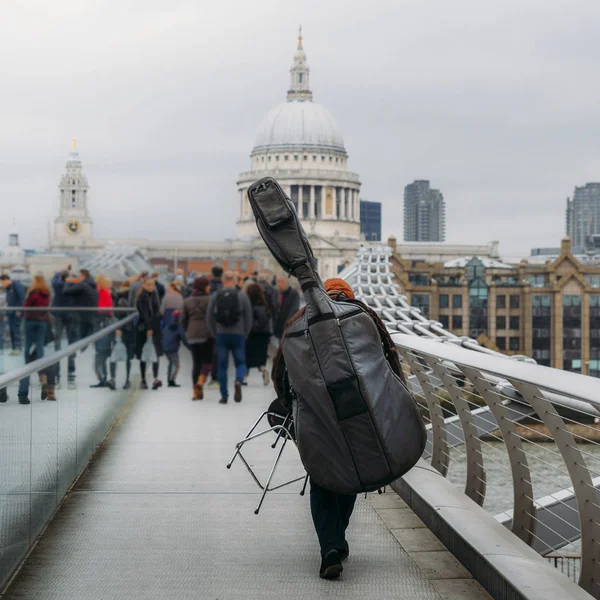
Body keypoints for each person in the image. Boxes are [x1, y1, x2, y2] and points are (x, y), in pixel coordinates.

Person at [272, 278, 406, 580]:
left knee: (321, 477)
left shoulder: (300, 320)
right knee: (355, 473)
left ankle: (329, 547)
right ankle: (337, 539)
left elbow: (280, 370)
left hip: (317, 415)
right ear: (349, 295)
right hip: (360, 413)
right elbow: (391, 362)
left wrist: (292, 407)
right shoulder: (366, 316)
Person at [206, 271, 252, 404]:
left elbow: (209, 317)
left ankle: (224, 395)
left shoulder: (216, 295)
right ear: (236, 280)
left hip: (221, 335)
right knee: (241, 362)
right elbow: (249, 317)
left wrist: (215, 332)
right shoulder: (242, 296)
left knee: (222, 366)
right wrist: (245, 333)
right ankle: (238, 380)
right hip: (238, 335)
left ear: (222, 280)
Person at [17, 275, 52, 404]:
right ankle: (43, 378)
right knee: (40, 347)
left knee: (27, 352)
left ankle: (23, 392)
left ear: (36, 282)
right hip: (42, 323)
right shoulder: (46, 294)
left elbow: (26, 305)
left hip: (30, 322)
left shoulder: (33, 293)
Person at [181, 277, 213, 400]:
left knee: (196, 363)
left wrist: (188, 330)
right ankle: (200, 382)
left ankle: (195, 392)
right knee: (208, 362)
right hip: (207, 334)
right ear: (204, 286)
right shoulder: (210, 300)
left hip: (192, 334)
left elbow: (182, 320)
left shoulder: (187, 301)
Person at [135, 277, 163, 390]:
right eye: (148, 284)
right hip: (145, 328)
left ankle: (155, 378)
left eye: (152, 284)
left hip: (155, 327)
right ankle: (143, 379)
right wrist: (149, 328)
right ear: (144, 285)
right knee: (144, 353)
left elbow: (157, 310)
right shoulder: (142, 297)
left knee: (155, 353)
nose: (151, 287)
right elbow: (144, 314)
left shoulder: (155, 295)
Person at [51, 269, 77, 386]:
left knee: (57, 342)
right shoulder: (72, 284)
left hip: (58, 314)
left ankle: (56, 372)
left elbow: (54, 279)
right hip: (71, 314)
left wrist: (59, 273)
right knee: (71, 342)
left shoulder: (57, 284)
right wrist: (71, 275)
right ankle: (71, 371)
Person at [244, 283, 272, 386]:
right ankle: (264, 370)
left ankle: (244, 378)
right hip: (264, 335)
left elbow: (248, 320)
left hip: (251, 334)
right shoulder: (265, 304)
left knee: (247, 357)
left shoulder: (248, 305)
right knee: (261, 357)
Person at [110, 281, 135, 389]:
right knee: (128, 357)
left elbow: (116, 314)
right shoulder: (130, 299)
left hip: (118, 330)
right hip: (129, 331)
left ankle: (113, 379)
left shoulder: (118, 298)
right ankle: (127, 380)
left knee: (114, 354)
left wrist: (117, 327)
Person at [91, 275, 114, 389]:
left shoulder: (101, 293)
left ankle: (102, 378)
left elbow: (100, 308)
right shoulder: (107, 293)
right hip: (105, 324)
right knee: (102, 353)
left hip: (101, 324)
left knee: (100, 353)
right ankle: (103, 378)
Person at [161, 281, 186, 388]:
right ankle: (171, 380)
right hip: (175, 329)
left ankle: (169, 379)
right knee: (174, 361)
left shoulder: (166, 297)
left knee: (171, 359)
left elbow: (161, 311)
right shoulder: (180, 298)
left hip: (166, 329)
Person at [0, 274, 26, 355]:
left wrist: (20, 310)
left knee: (16, 330)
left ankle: (18, 349)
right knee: (12, 331)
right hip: (10, 313)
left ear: (6, 280)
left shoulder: (17, 286)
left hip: (17, 313)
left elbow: (22, 298)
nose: (2, 284)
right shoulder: (8, 289)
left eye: (2, 282)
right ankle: (14, 349)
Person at [273, 275, 300, 339]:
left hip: (288, 326)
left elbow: (294, 309)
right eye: (278, 282)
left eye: (282, 281)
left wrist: (287, 324)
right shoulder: (275, 293)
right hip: (277, 326)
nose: (279, 284)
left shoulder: (293, 293)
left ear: (287, 282)